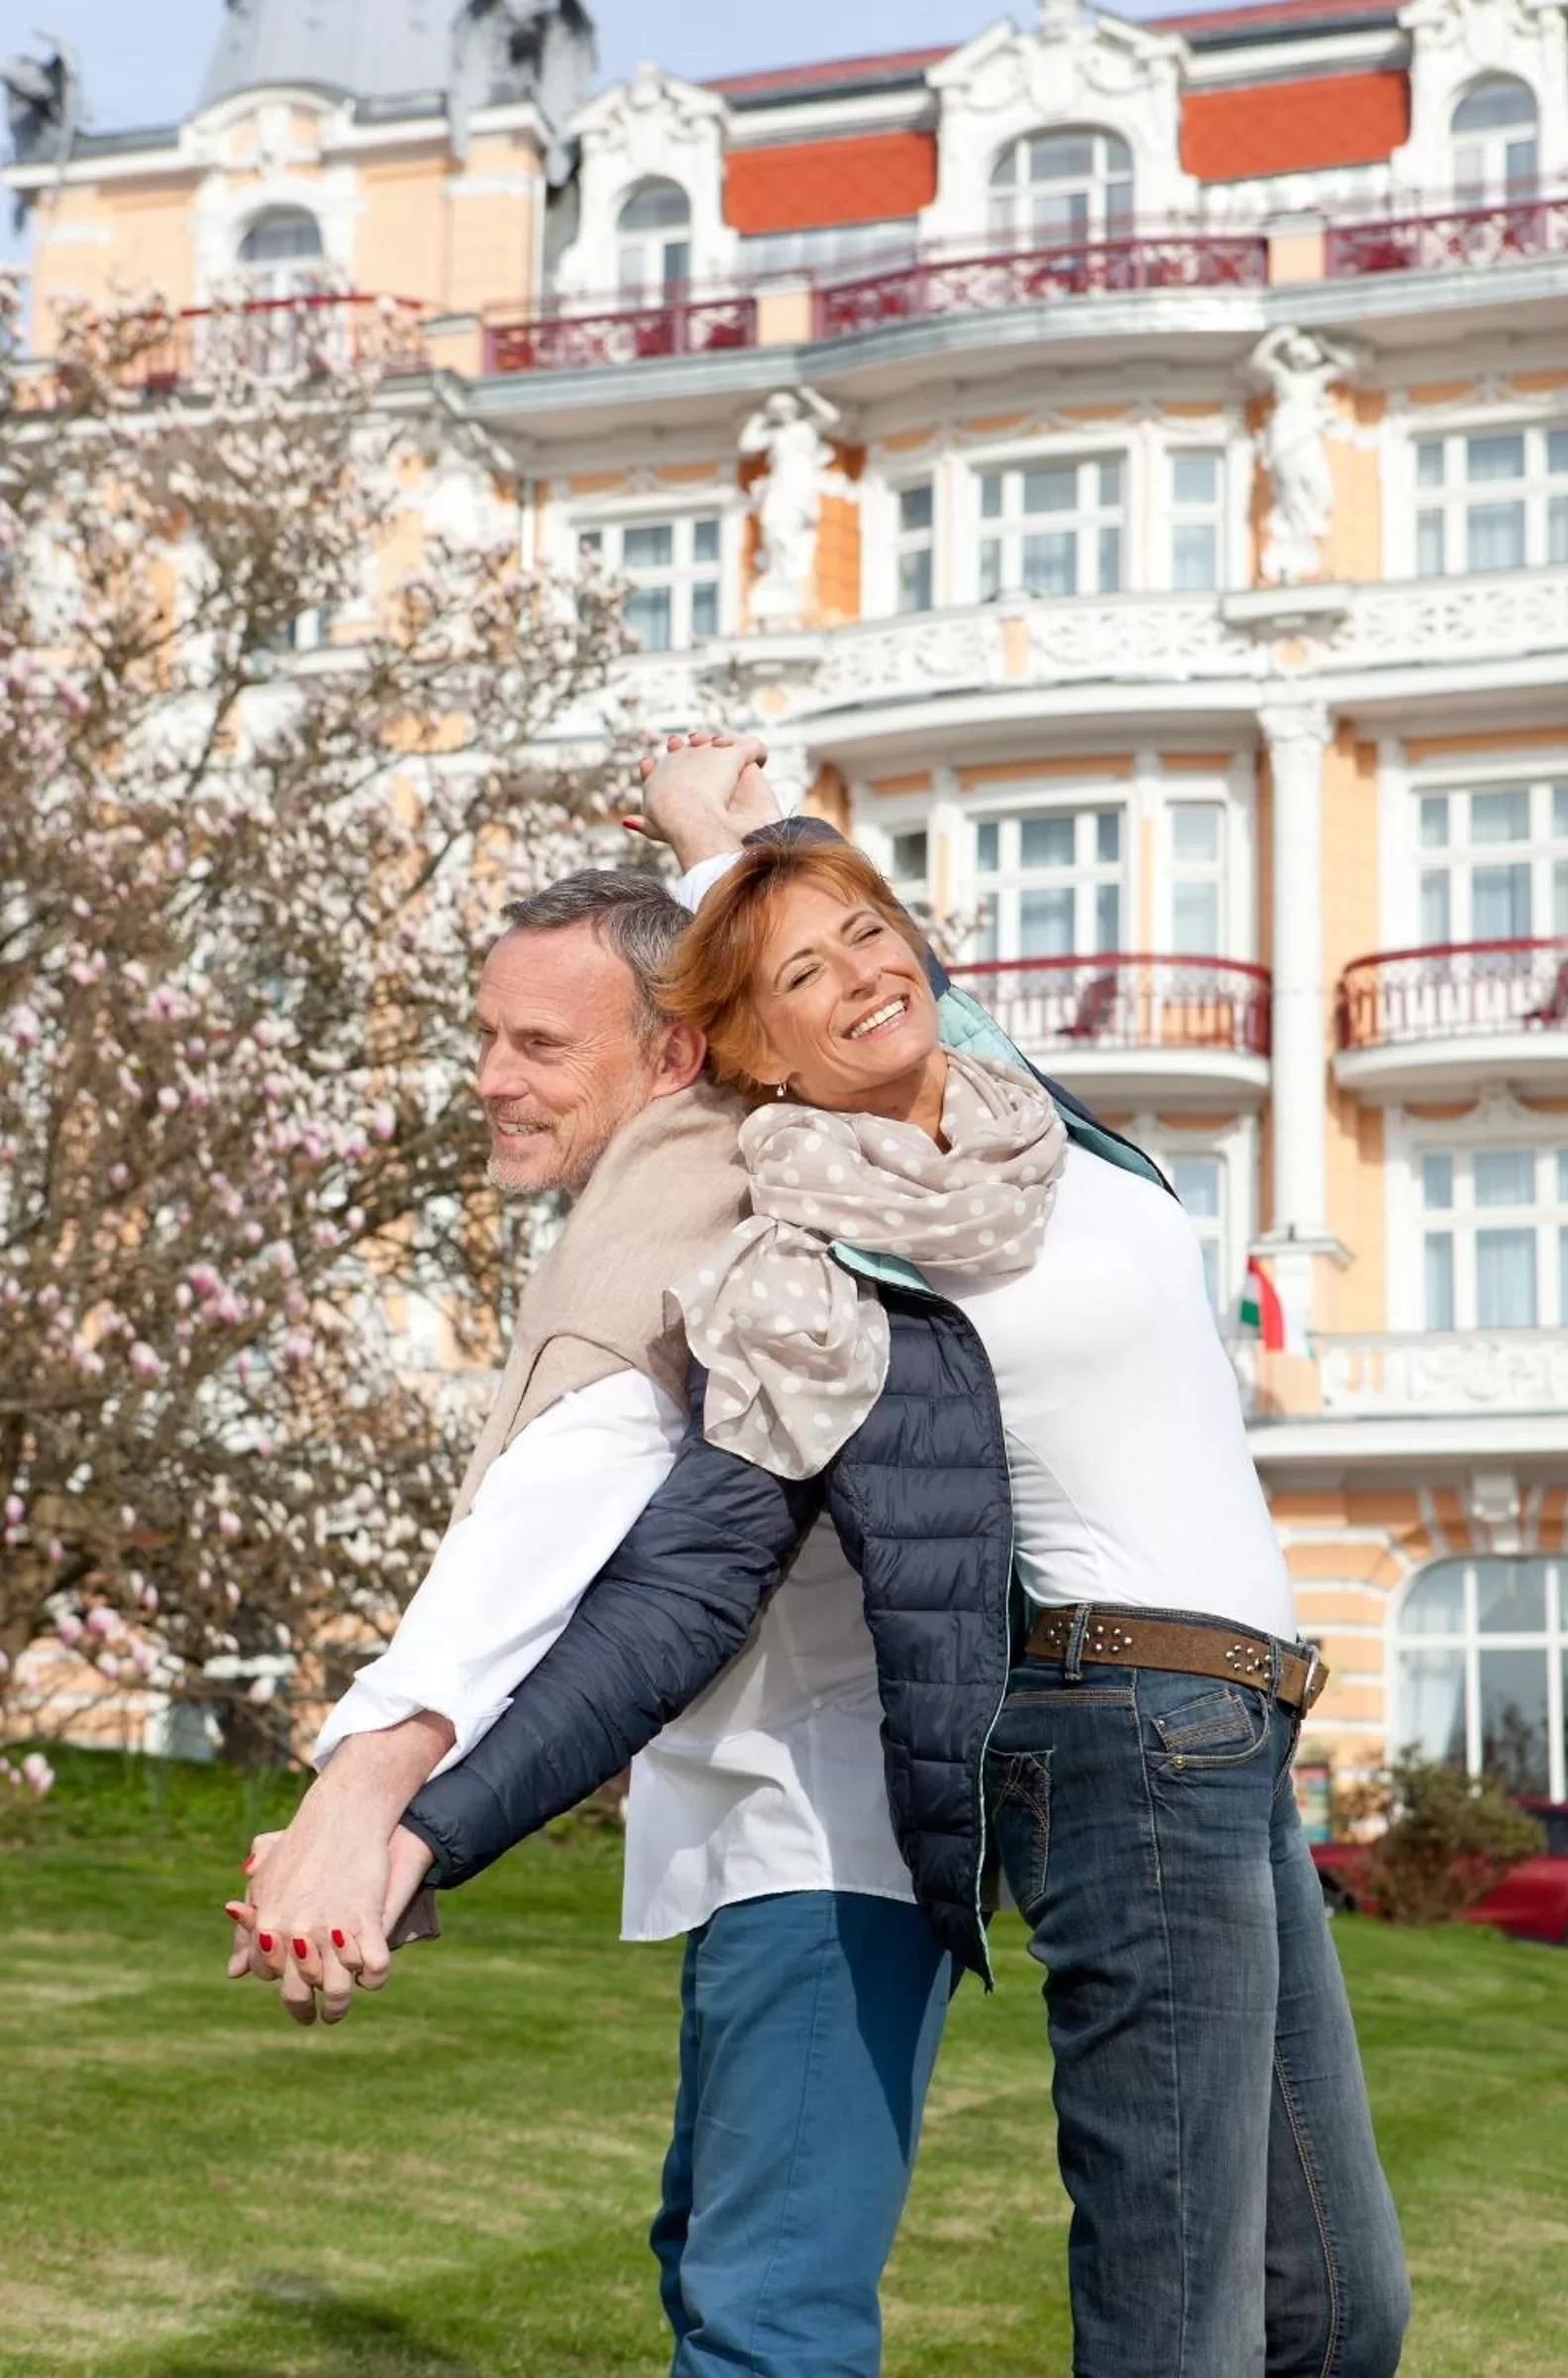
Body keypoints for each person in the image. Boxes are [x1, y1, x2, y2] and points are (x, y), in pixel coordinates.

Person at [390, 779, 1411, 2376]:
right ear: (757, 1061)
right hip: (1118, 1735)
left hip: (1246, 1738)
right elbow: (684, 1578)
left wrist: (739, 841)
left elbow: (873, 968)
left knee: (1337, 2308)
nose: (865, 973)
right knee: (1184, 2313)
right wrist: (424, 1821)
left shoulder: (1022, 1122)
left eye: (874, 934)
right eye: (804, 978)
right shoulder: (821, 1261)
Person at [230, 746, 963, 2378]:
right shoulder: (692, 1178)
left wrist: (363, 1797)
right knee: (719, 2271)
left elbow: (561, 1503)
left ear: (679, 1051)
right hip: (765, 1830)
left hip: (823, 1840)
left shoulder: (689, 1179)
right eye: (484, 1037)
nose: (493, 1076)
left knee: (765, 2316)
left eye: (540, 1042)